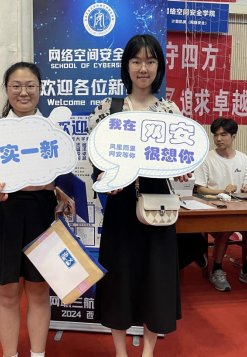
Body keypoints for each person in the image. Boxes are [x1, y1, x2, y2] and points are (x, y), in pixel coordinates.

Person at [87, 34, 185, 357]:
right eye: (137, 61)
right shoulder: (109, 109)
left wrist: (184, 169)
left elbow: (181, 158)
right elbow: (96, 157)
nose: (144, 68)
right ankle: (120, 351)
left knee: (156, 278)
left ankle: (148, 351)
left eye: (151, 61)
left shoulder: (169, 110)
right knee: (120, 277)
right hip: (121, 204)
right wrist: (102, 175)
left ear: (159, 66)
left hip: (158, 204)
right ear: (126, 66)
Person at [0, 62, 56, 357]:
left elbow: (61, 178)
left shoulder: (52, 131)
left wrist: (59, 192)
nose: (24, 92)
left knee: (39, 291)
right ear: (6, 90)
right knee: (7, 292)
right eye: (16, 86)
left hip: (40, 215)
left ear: (40, 89)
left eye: (31, 85)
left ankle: (38, 354)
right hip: (4, 214)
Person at [194, 118, 247, 292]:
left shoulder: (242, 158)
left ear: (234, 136)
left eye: (223, 134)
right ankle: (216, 270)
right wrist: (222, 190)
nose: (218, 139)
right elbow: (200, 188)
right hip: (215, 209)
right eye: (215, 135)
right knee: (225, 227)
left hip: (241, 209)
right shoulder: (207, 158)